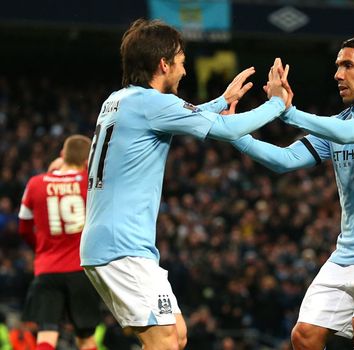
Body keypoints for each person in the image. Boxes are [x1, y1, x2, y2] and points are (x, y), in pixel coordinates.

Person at [79, 18, 288, 350]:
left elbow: (179, 117)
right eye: (181, 63)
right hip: (122, 248)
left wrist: (221, 101)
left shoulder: (120, 100)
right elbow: (226, 130)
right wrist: (277, 105)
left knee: (176, 334)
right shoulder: (153, 104)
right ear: (163, 64)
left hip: (118, 244)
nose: (185, 72)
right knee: (162, 341)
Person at [231, 35, 354, 350]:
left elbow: (353, 134)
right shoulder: (338, 122)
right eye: (337, 66)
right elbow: (285, 160)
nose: (337, 74)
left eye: (347, 65)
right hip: (347, 254)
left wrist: (288, 112)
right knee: (304, 336)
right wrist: (235, 132)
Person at [18, 135, 100, 350]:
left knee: (46, 334)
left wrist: (41, 247)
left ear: (62, 155)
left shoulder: (35, 183)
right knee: (86, 337)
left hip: (47, 269)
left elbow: (24, 227)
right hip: (81, 269)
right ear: (87, 160)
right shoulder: (89, 184)